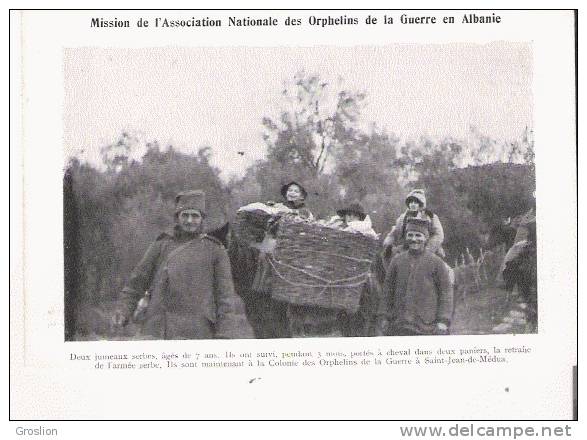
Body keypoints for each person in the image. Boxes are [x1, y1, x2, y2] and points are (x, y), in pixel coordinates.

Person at [112, 190, 252, 339]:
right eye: (185, 215)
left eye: (195, 216)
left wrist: (225, 333)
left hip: (198, 332)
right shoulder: (161, 245)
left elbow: (225, 298)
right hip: (158, 329)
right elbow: (136, 283)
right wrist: (123, 310)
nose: (190, 221)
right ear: (177, 218)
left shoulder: (216, 250)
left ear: (202, 219)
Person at [377, 217, 454, 336]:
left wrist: (443, 321)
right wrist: (385, 316)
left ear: (426, 238)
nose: (414, 239)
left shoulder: (436, 262)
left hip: (428, 326)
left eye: (418, 235)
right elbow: (388, 290)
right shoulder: (397, 260)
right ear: (406, 237)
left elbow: (446, 293)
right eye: (410, 235)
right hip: (399, 325)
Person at [383, 189, 445, 258]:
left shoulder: (430, 216)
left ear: (421, 204)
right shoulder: (403, 217)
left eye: (415, 202)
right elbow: (394, 232)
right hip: (407, 248)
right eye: (411, 202)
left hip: (428, 248)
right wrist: (388, 243)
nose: (412, 204)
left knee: (438, 264)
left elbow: (439, 235)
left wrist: (428, 249)